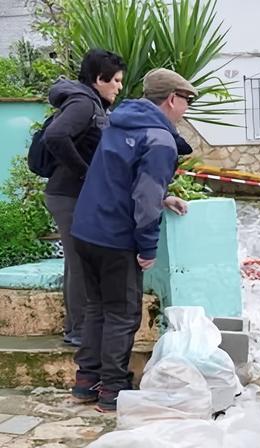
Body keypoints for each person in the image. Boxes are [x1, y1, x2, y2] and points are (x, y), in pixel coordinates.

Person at [69, 68, 196, 412]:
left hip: (85, 229)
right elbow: (143, 196)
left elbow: (122, 176)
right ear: (172, 99)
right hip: (115, 236)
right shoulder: (159, 139)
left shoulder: (119, 120)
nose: (186, 108)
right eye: (186, 100)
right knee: (122, 314)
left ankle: (87, 380)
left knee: (96, 307)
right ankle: (112, 389)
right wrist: (147, 247)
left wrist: (162, 198)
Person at [41, 49, 126, 347]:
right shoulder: (83, 103)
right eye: (114, 80)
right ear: (98, 79)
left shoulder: (93, 104)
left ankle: (78, 327)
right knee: (78, 262)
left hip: (72, 194)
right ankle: (77, 330)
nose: (118, 86)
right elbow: (55, 137)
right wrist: (86, 174)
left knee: (79, 262)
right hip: (68, 195)